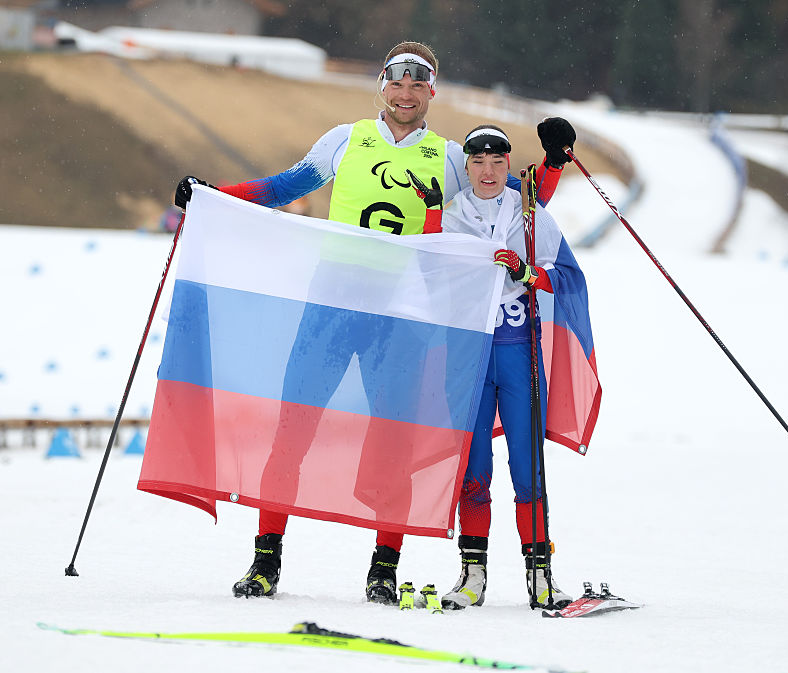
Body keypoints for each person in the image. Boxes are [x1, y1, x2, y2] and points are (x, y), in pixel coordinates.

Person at [173, 41, 576, 604]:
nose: (405, 93)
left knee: (394, 444)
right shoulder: (346, 138)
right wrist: (215, 195)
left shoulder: (452, 156)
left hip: (403, 317)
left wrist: (554, 161)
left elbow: (511, 192)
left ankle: (383, 568)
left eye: (418, 84)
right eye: (397, 81)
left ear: (431, 92)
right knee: (293, 429)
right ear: (382, 86)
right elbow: (285, 188)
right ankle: (266, 559)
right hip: (332, 308)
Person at [410, 124, 591, 610]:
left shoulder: (529, 215)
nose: (487, 172)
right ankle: (472, 577)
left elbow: (569, 278)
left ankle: (541, 578)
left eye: (496, 162)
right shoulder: (448, 213)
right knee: (473, 469)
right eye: (477, 163)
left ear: (508, 166)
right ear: (465, 167)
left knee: (528, 467)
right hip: (467, 355)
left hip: (517, 351)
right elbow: (428, 272)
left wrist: (527, 274)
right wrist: (429, 216)